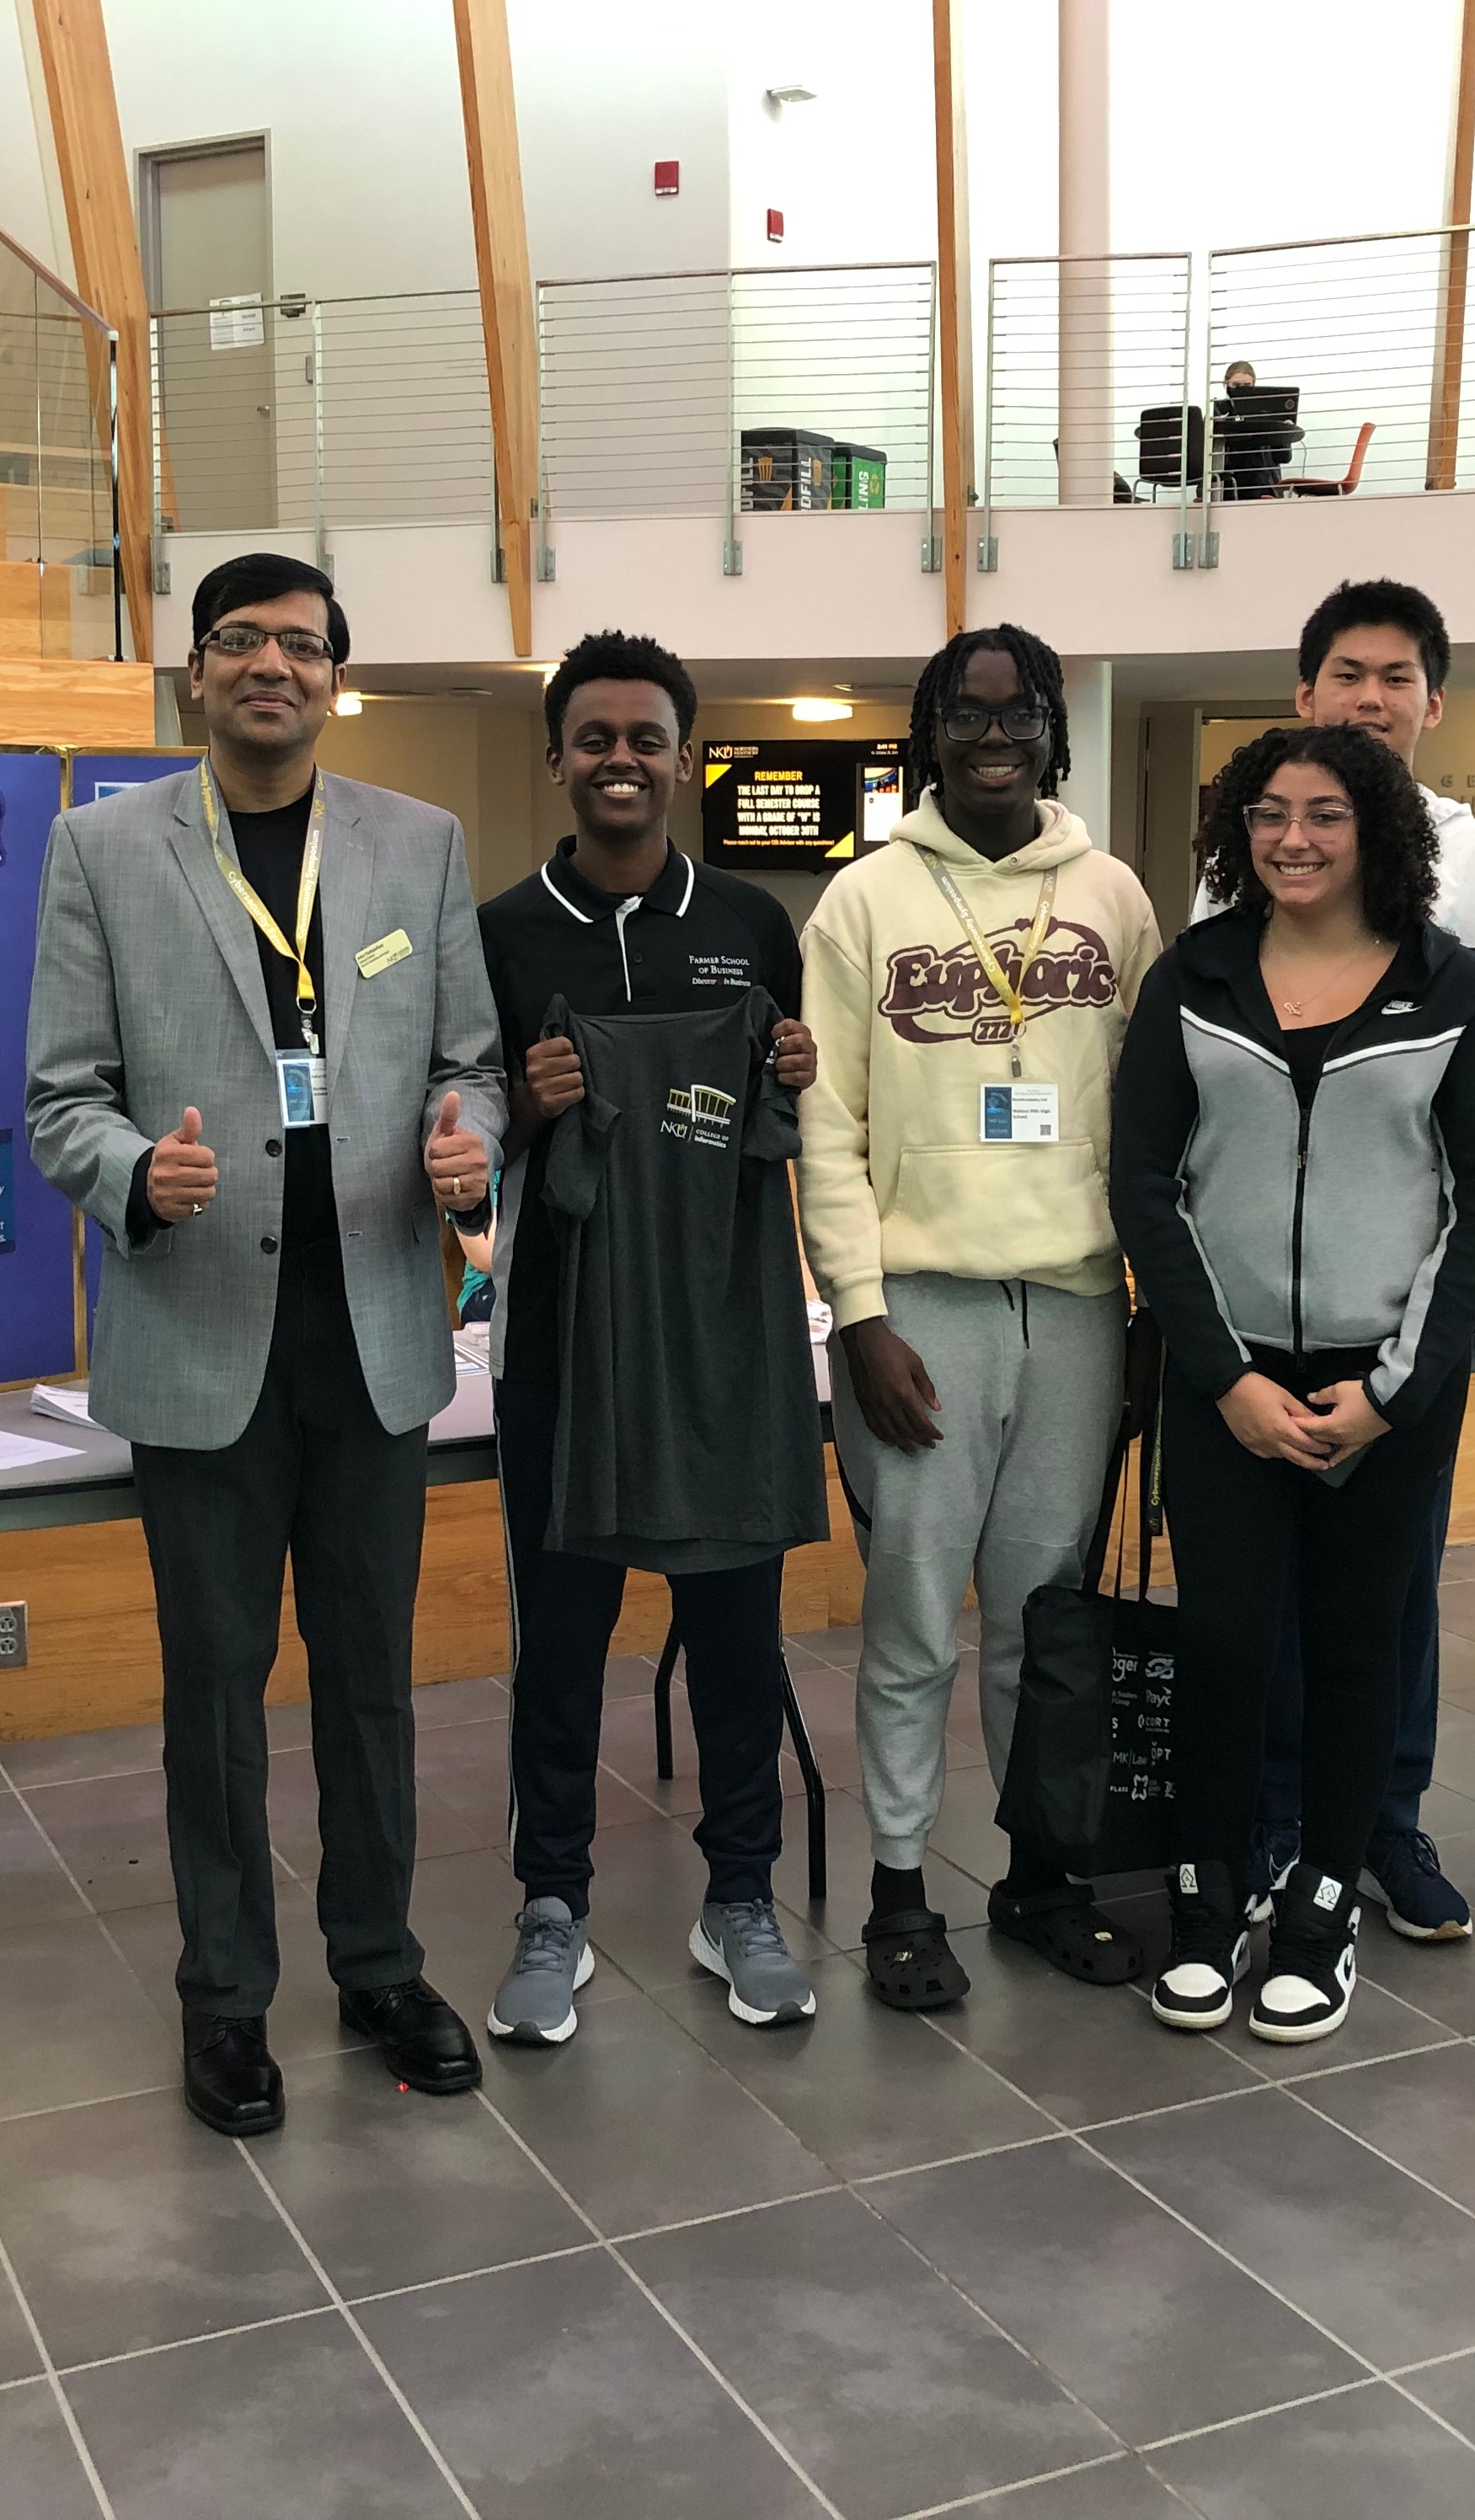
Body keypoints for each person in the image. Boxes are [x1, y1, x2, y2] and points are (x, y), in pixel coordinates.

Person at [25, 553, 503, 2138]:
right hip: (199, 1331)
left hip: (374, 1333)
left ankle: (377, 1963)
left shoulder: (416, 845)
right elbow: (57, 1101)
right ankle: (226, 1998)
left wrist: (466, 1139)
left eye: (303, 645)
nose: (273, 667)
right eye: (242, 641)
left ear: (335, 678)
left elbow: (473, 1064)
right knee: (214, 1696)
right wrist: (130, 1180)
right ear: (197, 672)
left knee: (372, 1686)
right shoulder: (103, 849)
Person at [1112, 726, 1475, 2037]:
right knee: (1226, 1646)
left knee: (1356, 1652)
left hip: (1385, 1394)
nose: (1294, 838)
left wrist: (1391, 1392)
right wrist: (1225, 1376)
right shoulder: (1197, 976)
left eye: (1327, 815)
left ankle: (1325, 1903)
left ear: (1379, 831)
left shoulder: (1449, 989)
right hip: (1226, 1384)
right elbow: (1144, 1189)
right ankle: (1209, 1892)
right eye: (1271, 815)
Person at [798, 623, 1166, 2011]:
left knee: (1043, 1623)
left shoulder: (1114, 895)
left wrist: (1142, 1306)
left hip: (1074, 1310)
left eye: (1020, 713)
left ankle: (1041, 1874)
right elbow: (825, 1128)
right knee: (911, 1626)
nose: (996, 735)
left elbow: (1150, 1123)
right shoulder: (865, 902)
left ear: (1056, 729)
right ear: (930, 730)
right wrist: (859, 1313)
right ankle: (902, 1891)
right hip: (922, 1315)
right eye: (968, 712)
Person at [474, 631, 827, 2041]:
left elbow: (796, 1098)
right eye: (594, 737)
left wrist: (789, 1065)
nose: (621, 759)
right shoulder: (498, 933)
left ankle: (738, 1894)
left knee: (738, 1636)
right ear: (556, 756)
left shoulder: (751, 922)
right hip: (562, 1343)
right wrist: (528, 1098)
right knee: (560, 1642)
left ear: (687, 754)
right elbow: (461, 1119)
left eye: (646, 737)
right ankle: (548, 1903)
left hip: (726, 1339)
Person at [1194, 576, 1475, 1944]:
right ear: (1306, 692)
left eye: (1397, 677)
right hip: (1254, 1316)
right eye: (1348, 672)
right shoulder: (1247, 843)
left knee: (1387, 1595)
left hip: (1403, 1313)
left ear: (1432, 702)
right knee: (1258, 1599)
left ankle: (1381, 1826)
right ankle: (1275, 1827)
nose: (1371, 697)